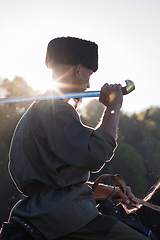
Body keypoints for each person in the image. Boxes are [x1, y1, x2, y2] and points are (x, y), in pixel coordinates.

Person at [0, 37, 158, 240]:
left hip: (44, 210)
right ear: (78, 70)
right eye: (89, 73)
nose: (88, 83)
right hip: (62, 215)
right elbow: (97, 153)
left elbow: (59, 184)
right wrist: (113, 108)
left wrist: (110, 191)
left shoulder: (40, 110)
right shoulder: (56, 109)